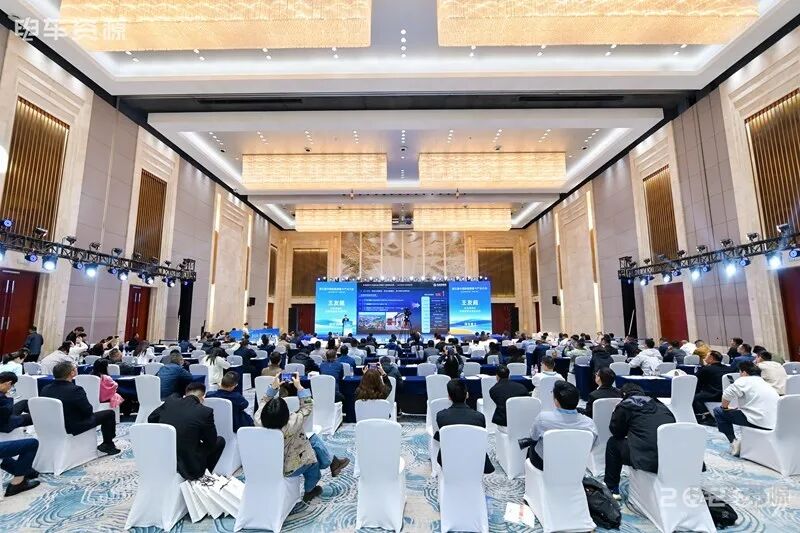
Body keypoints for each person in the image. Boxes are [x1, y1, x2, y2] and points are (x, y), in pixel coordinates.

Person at [256, 373, 349, 502]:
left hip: (269, 462)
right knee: (313, 463)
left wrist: (273, 388)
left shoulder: (258, 420)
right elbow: (308, 406)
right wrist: (299, 387)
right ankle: (310, 490)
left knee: (311, 437)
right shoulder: (293, 423)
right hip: (291, 467)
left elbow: (263, 402)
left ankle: (333, 462)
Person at [604, 383, 676, 497]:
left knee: (613, 443)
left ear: (624, 394)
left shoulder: (625, 405)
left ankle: (612, 488)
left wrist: (615, 413)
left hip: (647, 459)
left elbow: (616, 432)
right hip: (672, 456)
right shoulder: (660, 405)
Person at [148, 382, 225, 480]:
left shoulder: (171, 400)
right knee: (220, 441)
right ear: (202, 397)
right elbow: (211, 441)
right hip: (190, 467)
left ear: (186, 393)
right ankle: (203, 473)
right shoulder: (205, 411)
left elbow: (151, 418)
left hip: (164, 454)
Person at [40, 361, 120, 455]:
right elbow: (88, 411)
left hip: (51, 425)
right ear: (72, 373)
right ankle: (108, 444)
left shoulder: (45, 389)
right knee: (109, 414)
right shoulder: (75, 390)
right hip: (72, 426)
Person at [713, 361, 780, 456]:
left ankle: (734, 442)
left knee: (718, 411)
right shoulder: (766, 383)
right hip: (773, 422)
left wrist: (725, 407)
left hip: (756, 420)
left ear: (744, 372)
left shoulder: (743, 380)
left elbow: (727, 395)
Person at [528, 381, 597, 470]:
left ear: (556, 401)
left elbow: (533, 437)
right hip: (576, 462)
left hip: (546, 463)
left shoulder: (542, 419)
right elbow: (591, 446)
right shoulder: (589, 423)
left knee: (533, 443)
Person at [433, 379, 494, 473]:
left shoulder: (441, 416)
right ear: (467, 395)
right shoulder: (479, 417)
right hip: (475, 459)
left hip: (448, 459)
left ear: (449, 397)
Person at [489, 365, 530, 429]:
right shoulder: (521, 387)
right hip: (521, 420)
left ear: (497, 376)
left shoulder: (493, 390)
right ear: (509, 375)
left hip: (504, 422)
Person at [692, 351, 730, 418]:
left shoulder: (707, 369)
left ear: (711, 358)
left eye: (706, 356)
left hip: (715, 395)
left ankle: (706, 415)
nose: (705, 358)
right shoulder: (728, 368)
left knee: (694, 397)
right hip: (728, 394)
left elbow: (694, 379)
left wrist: (704, 366)